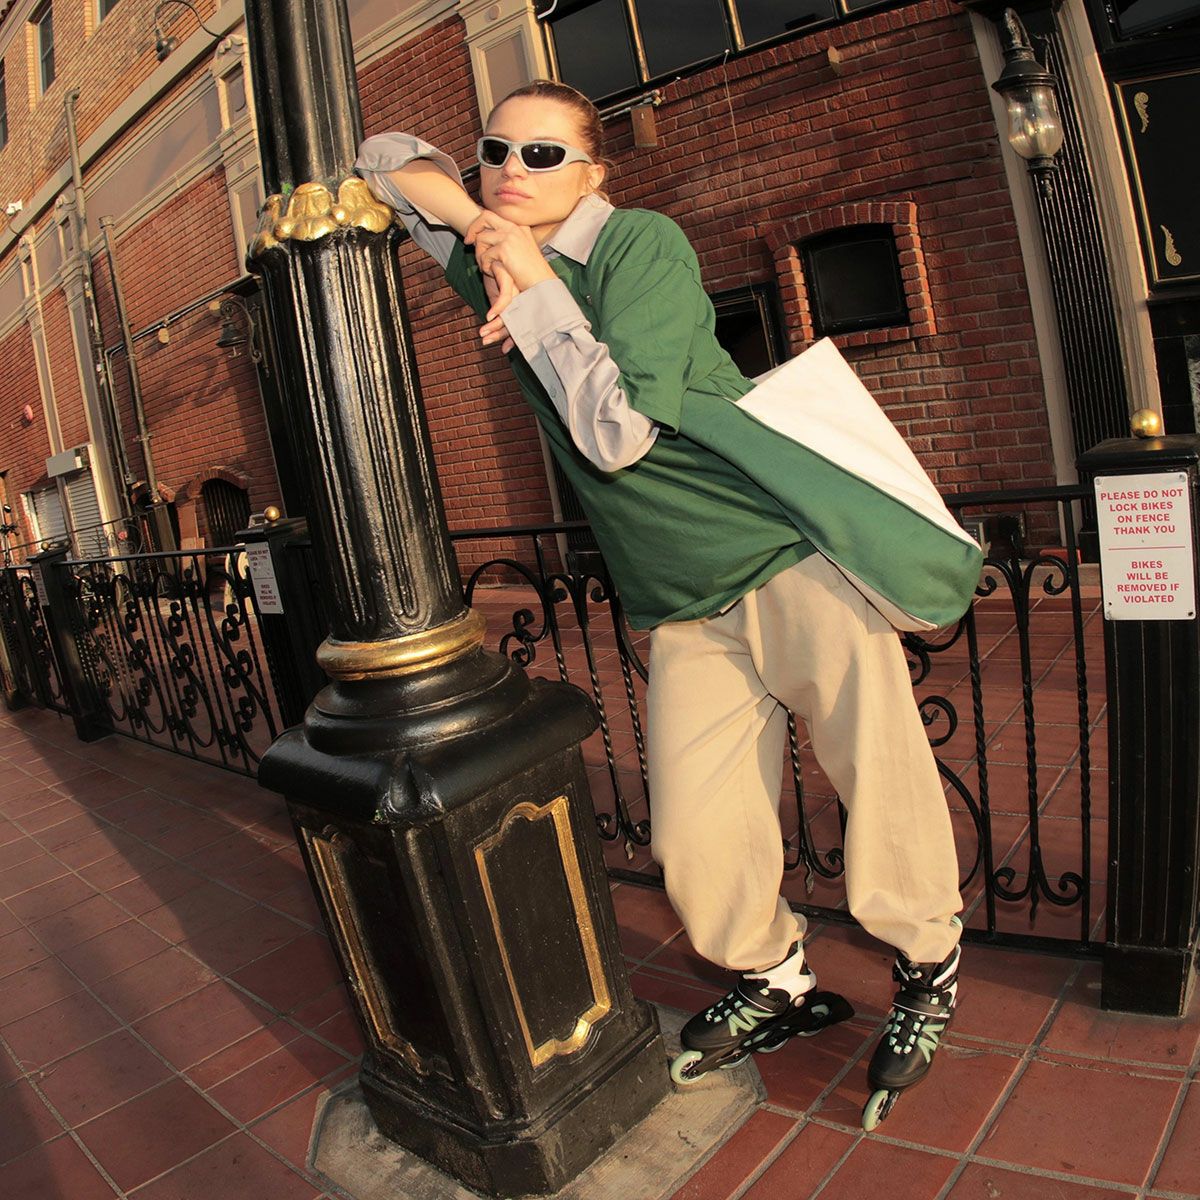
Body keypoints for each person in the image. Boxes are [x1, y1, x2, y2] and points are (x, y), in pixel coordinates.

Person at [356, 80, 981, 1128]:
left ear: (594, 173)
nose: (511, 170)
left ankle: (928, 965)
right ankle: (774, 976)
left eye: (543, 156)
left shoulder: (637, 245)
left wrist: (531, 281)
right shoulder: (491, 246)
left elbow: (615, 433)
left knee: (878, 774)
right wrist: (480, 228)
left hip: (780, 554)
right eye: (495, 150)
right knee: (695, 826)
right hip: (679, 594)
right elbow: (382, 156)